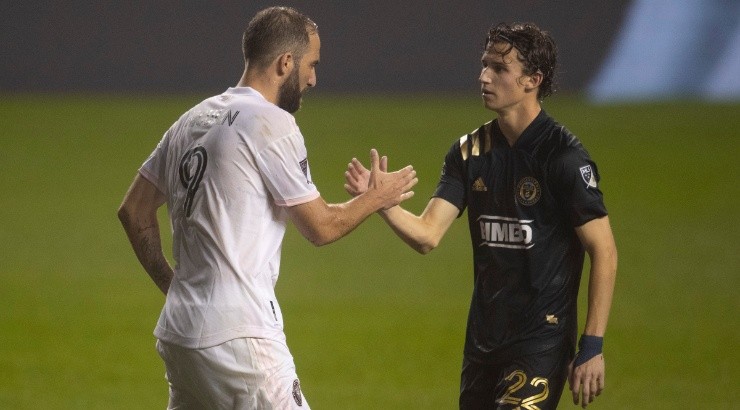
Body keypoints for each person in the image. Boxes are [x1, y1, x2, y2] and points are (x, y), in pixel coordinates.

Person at [117, 6, 417, 409]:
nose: (313, 78)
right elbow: (321, 228)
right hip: (241, 338)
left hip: (181, 335)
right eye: (311, 65)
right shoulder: (270, 123)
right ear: (285, 63)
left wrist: (175, 288)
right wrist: (377, 197)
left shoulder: (192, 119)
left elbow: (133, 211)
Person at [345, 22, 617, 409]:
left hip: (541, 340)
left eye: (499, 69)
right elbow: (427, 235)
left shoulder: (563, 157)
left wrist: (592, 346)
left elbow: (603, 249)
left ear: (532, 80)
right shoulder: (469, 153)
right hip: (484, 344)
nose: (483, 76)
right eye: (484, 65)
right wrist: (381, 202)